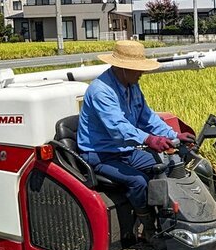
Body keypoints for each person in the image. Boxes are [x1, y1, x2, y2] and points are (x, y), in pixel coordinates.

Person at [76, 40, 194, 210]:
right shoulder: (101, 91)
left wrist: (174, 135)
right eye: (138, 68)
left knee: (168, 165)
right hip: (101, 154)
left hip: (125, 151)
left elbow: (147, 117)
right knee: (138, 181)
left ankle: (164, 213)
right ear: (123, 68)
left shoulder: (132, 86)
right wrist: (149, 139)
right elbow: (118, 128)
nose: (142, 73)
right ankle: (145, 223)